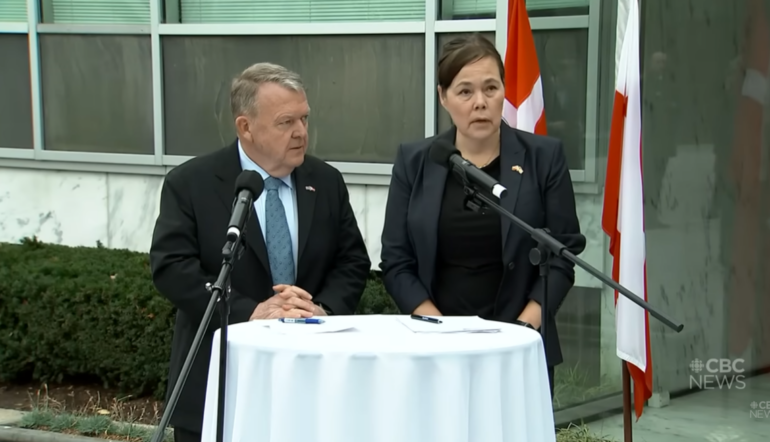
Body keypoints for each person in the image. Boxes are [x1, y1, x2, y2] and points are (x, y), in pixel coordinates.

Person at [150, 62, 371, 442]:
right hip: (220, 378)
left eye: (304, 118)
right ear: (245, 127)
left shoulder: (326, 181)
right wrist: (250, 311)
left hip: (311, 380)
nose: (301, 132)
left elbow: (352, 260)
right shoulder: (190, 183)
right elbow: (172, 267)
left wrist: (321, 311)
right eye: (286, 122)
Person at [379, 34, 586, 395]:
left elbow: (562, 255)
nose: (480, 102)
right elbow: (396, 260)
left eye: (491, 88)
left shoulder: (544, 157)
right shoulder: (414, 162)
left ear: (504, 90)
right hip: (436, 350)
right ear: (443, 96)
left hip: (520, 347)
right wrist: (438, 331)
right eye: (465, 91)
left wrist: (521, 331)